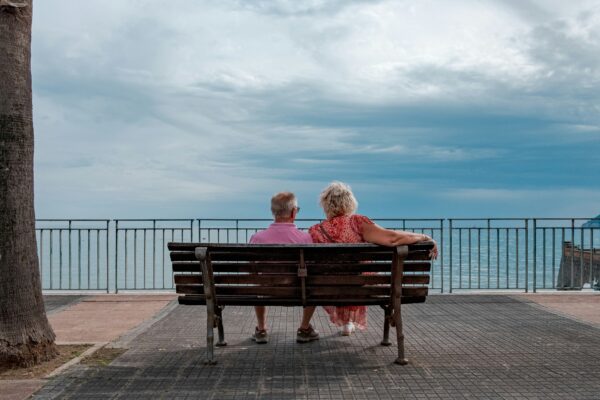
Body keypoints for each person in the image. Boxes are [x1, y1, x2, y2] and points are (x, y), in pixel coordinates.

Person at [309, 181, 438, 336]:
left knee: (336, 275)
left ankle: (347, 322)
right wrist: (423, 237)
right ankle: (351, 322)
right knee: (360, 275)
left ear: (325, 205)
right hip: (362, 289)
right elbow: (393, 239)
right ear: (349, 202)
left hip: (329, 290)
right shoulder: (357, 223)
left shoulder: (316, 230)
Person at [249, 191, 319, 344]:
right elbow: (312, 268)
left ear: (273, 213)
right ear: (294, 212)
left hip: (267, 290)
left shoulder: (257, 238)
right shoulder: (305, 238)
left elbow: (252, 270)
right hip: (298, 291)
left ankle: (261, 330)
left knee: (258, 282)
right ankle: (304, 328)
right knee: (313, 283)